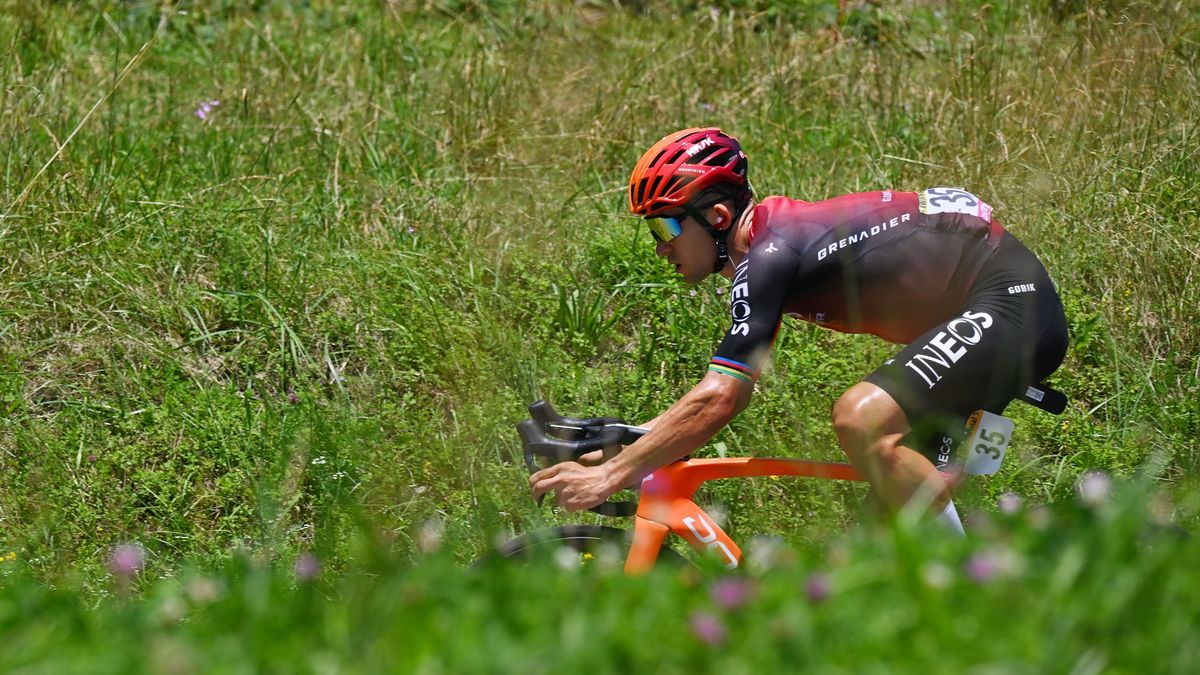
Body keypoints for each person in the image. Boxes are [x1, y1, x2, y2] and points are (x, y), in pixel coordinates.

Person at [530, 127, 1068, 533]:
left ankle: (979, 608)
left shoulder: (771, 252)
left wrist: (612, 475)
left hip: (1012, 301)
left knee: (861, 417)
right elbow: (711, 399)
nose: (659, 245)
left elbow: (721, 400)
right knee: (879, 545)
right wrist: (623, 449)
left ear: (717, 215)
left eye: (665, 224)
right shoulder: (769, 250)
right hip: (976, 318)